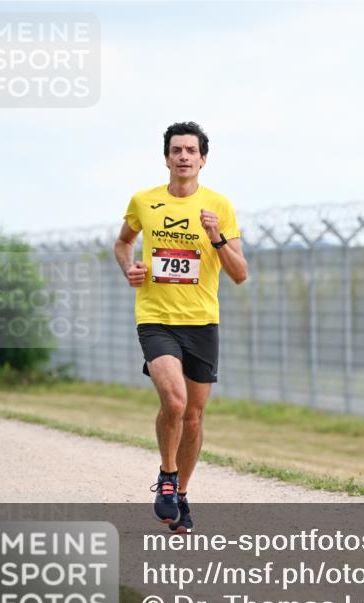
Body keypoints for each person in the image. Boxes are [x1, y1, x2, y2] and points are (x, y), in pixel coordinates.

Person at [113, 121, 247, 533]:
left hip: (202, 322)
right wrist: (129, 268)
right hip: (155, 318)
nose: (183, 157)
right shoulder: (144, 201)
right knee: (174, 401)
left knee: (193, 416)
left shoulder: (219, 206)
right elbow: (123, 242)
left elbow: (240, 274)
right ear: (166, 158)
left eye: (191, 150)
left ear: (203, 159)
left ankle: (181, 495)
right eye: (176, 150)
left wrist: (216, 237)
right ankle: (167, 477)